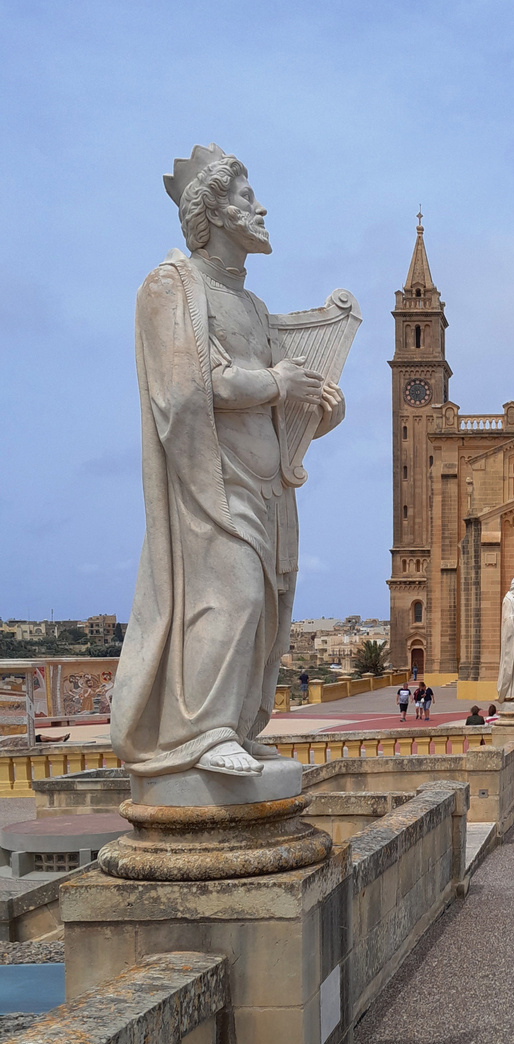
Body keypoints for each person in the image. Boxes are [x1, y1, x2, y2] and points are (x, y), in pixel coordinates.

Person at [111, 145, 347, 779]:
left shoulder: (255, 307)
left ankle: (239, 725)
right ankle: (199, 732)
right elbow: (186, 385)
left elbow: (280, 401)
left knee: (267, 609)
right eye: (246, 196)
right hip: (211, 482)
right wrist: (276, 383)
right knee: (234, 596)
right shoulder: (170, 288)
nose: (260, 206)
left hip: (269, 486)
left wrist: (321, 406)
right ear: (210, 210)